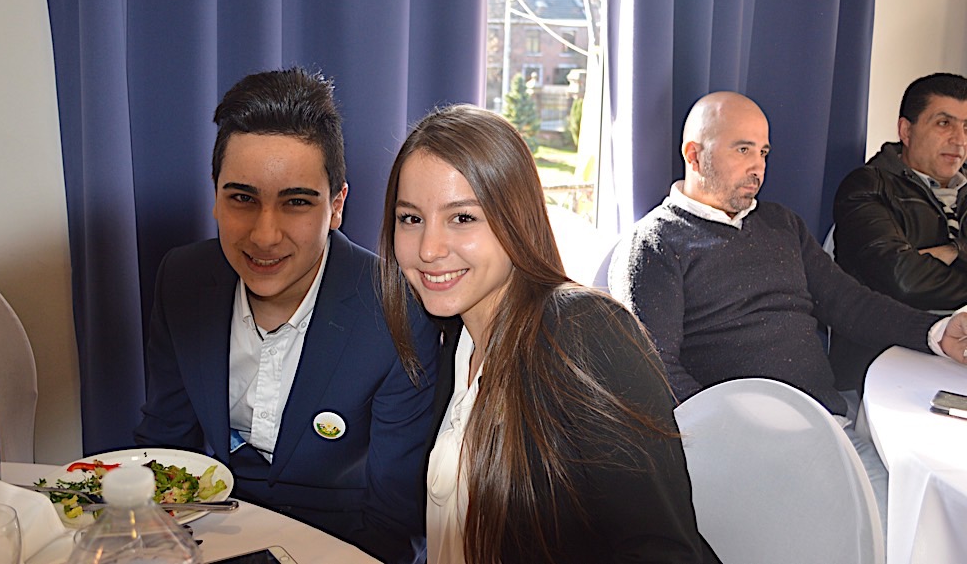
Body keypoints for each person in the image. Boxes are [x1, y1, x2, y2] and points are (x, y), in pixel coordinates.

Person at [378, 105, 718, 564]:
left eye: (462, 218)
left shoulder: (584, 333)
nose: (428, 249)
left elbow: (661, 551)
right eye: (411, 219)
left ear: (516, 218)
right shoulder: (453, 341)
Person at [613, 91, 967, 528]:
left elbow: (851, 304)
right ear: (694, 154)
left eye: (763, 152)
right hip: (745, 451)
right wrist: (749, 433)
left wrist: (936, 332)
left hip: (828, 426)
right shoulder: (655, 242)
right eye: (743, 149)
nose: (758, 167)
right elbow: (656, 370)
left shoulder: (781, 224)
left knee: (921, 517)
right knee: (889, 531)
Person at [134, 68, 438, 564]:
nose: (265, 235)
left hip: (341, 545)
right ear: (215, 196)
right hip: (210, 535)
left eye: (296, 202)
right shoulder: (182, 278)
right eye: (242, 198)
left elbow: (395, 521)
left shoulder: (396, 308)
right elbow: (166, 449)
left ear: (336, 206)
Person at [832, 73, 967, 388]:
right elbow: (905, 280)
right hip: (890, 361)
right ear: (906, 130)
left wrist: (953, 252)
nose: (959, 140)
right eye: (944, 123)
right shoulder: (868, 187)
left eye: (966, 127)